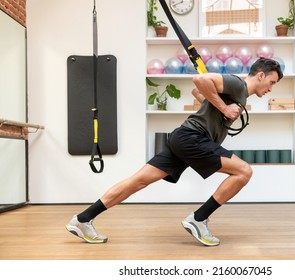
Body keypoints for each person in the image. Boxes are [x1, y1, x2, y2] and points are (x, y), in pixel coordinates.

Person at [66, 57, 283, 246]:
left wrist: (218, 106)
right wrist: (225, 108)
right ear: (261, 75)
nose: (271, 88)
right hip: (193, 138)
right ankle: (198, 219)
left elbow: (198, 92)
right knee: (243, 171)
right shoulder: (238, 85)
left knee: (139, 181)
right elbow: (199, 81)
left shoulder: (238, 93)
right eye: (272, 82)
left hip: (183, 137)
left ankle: (83, 219)